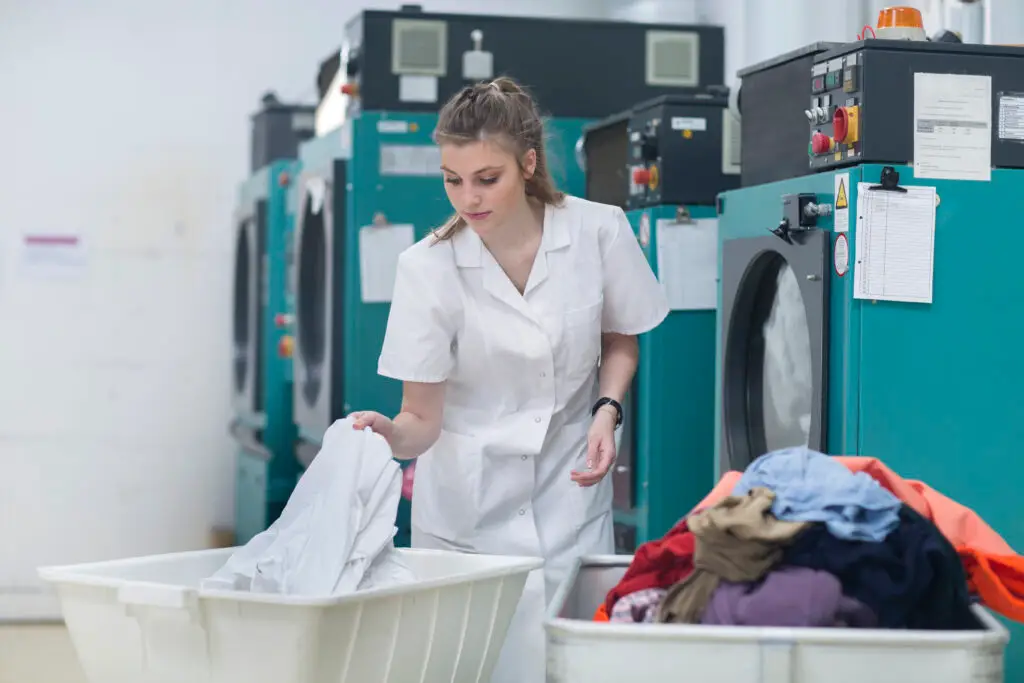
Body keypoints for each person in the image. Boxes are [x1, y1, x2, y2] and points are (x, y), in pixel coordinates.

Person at [349, 76, 669, 683]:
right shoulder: (427, 268)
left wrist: (608, 409)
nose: (467, 198)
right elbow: (421, 420)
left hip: (569, 500)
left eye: (486, 178)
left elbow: (621, 337)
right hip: (469, 519)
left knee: (574, 669)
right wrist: (389, 433)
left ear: (527, 164)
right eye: (452, 179)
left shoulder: (598, 231)